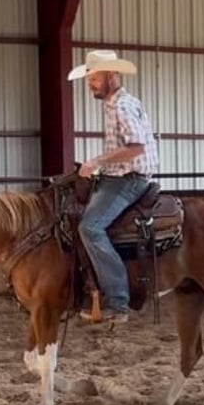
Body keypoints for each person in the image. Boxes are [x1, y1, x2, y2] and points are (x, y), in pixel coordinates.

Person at [67, 50, 159, 323]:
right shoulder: (117, 103)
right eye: (89, 78)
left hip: (129, 178)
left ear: (112, 75)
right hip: (117, 175)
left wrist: (96, 160)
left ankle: (117, 301)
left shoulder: (120, 106)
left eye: (94, 78)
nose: (90, 83)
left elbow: (136, 147)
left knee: (90, 227)